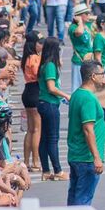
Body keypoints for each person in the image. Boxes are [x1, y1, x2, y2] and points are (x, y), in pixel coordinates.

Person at [66, 60, 105, 206]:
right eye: (102, 74)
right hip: (86, 157)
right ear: (93, 76)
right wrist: (96, 157)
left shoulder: (77, 94)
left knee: (75, 195)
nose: (104, 77)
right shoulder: (88, 98)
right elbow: (88, 129)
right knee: (83, 200)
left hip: (77, 155)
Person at [36, 36, 70, 181]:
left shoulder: (45, 64)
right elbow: (51, 88)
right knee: (52, 138)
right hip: (50, 103)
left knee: (44, 139)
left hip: (43, 103)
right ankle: (58, 170)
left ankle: (46, 170)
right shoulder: (50, 65)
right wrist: (66, 95)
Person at [20, 32, 43, 172]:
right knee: (36, 129)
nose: (41, 45)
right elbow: (37, 74)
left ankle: (26, 161)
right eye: (39, 42)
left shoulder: (26, 57)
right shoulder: (34, 58)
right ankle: (35, 162)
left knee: (30, 129)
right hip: (35, 91)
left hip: (28, 91)